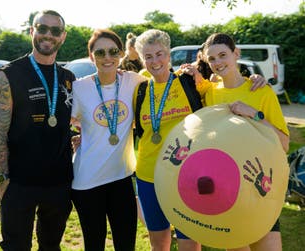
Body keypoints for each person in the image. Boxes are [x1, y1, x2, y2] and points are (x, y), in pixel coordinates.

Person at [0, 10, 75, 251]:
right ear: (32, 31)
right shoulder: (9, 75)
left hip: (59, 183)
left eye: (55, 31)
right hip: (19, 183)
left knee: (51, 246)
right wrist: (2, 179)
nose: (48, 35)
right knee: (16, 247)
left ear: (63, 36)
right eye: (42, 28)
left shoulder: (68, 77)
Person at [197, 33, 289, 251]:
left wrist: (253, 114)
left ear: (236, 53)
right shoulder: (208, 93)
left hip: (261, 186)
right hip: (227, 190)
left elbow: (284, 143)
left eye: (223, 55)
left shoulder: (261, 90)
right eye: (212, 59)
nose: (218, 63)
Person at [70, 29, 147, 251]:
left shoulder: (134, 81)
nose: (107, 57)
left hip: (121, 177)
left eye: (113, 51)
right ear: (91, 57)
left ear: (122, 54)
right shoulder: (79, 87)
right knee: (94, 245)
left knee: (126, 244)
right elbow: (67, 122)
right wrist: (78, 136)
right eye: (100, 52)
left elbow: (164, 82)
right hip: (87, 181)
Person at [134, 28, 203, 251]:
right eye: (148, 56)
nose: (155, 61)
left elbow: (223, 91)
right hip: (148, 174)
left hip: (187, 172)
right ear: (142, 60)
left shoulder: (189, 82)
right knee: (159, 241)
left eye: (160, 53)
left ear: (169, 55)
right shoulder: (140, 90)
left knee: (190, 240)